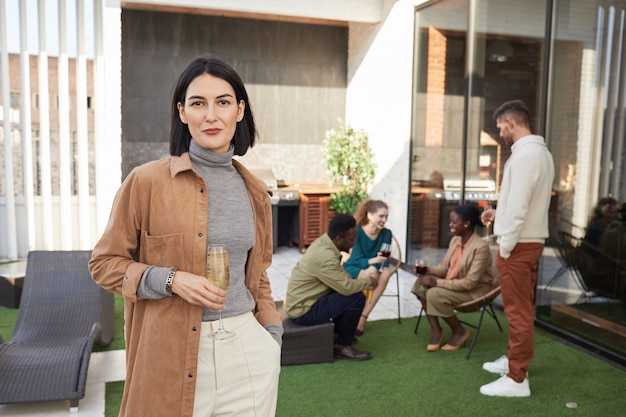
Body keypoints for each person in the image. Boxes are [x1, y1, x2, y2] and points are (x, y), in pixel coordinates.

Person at [88, 56, 282, 416]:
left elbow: (259, 274)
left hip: (248, 350)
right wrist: (171, 280)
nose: (211, 115)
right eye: (198, 103)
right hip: (169, 354)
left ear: (239, 111)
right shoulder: (146, 182)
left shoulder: (254, 192)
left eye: (223, 102)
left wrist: (271, 335)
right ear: (182, 112)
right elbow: (103, 264)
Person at [480, 99, 555, 398]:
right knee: (519, 309)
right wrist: (500, 216)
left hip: (519, 246)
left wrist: (506, 245)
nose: (500, 133)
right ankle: (514, 362)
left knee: (518, 312)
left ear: (511, 123)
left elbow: (522, 206)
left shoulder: (527, 156)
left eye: (501, 128)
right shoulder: (537, 154)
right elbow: (525, 203)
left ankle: (517, 379)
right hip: (526, 242)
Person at [284, 214, 378, 361]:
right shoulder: (325, 256)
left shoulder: (325, 241)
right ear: (339, 239)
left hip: (305, 301)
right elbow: (346, 287)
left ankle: (337, 335)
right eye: (351, 239)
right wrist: (368, 282)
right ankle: (342, 346)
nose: (353, 243)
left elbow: (341, 280)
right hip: (303, 311)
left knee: (345, 292)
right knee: (356, 297)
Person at [411, 204, 494, 352]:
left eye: (454, 222)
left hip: (473, 292)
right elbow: (444, 269)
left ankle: (459, 331)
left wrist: (436, 282)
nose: (450, 225)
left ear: (466, 224)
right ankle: (436, 330)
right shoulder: (455, 241)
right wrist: (427, 270)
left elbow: (469, 283)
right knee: (420, 283)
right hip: (454, 285)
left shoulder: (481, 248)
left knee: (434, 293)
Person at [342, 199, 393, 335]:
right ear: (370, 215)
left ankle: (362, 318)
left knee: (386, 273)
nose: (384, 220)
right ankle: (353, 316)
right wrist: (373, 263)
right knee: (370, 275)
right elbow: (356, 259)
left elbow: (385, 259)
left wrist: (374, 266)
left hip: (373, 267)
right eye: (381, 216)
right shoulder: (357, 232)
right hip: (353, 267)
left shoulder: (386, 233)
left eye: (386, 217)